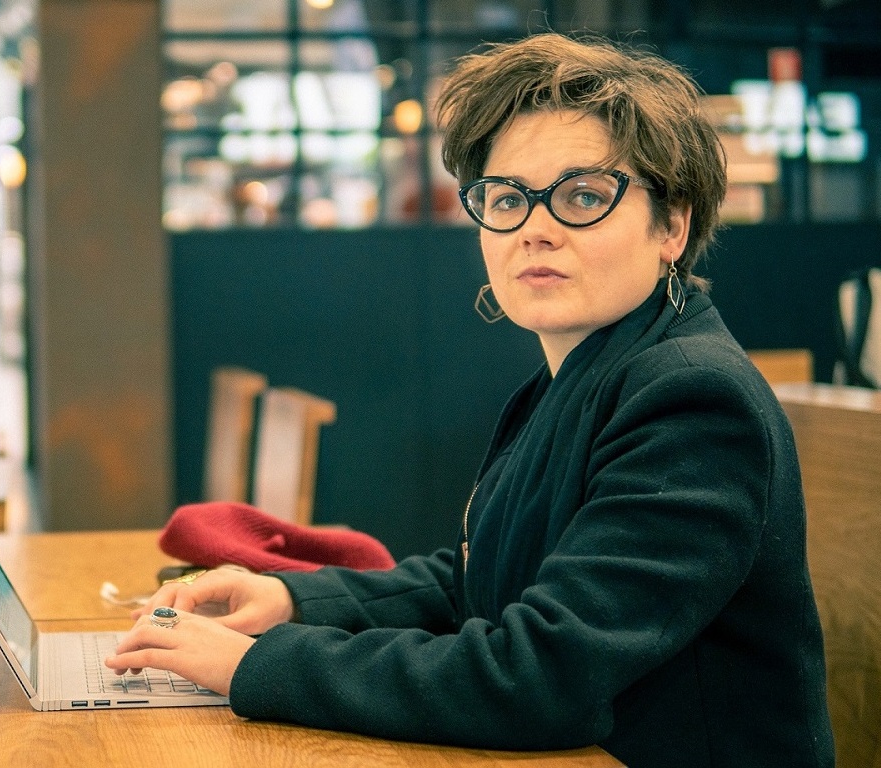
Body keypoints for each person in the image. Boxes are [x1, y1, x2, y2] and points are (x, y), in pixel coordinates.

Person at [107, 32, 835, 767]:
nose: (537, 229)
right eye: (509, 199)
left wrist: (250, 668)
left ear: (671, 225)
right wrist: (294, 602)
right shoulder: (588, 372)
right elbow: (483, 582)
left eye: (583, 196)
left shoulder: (692, 400)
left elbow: (538, 676)